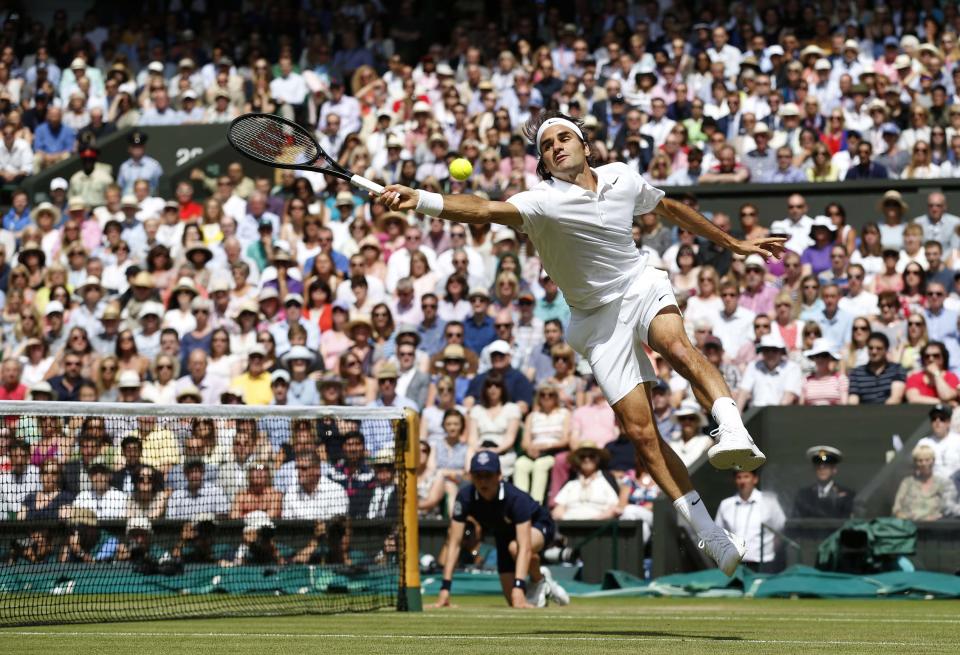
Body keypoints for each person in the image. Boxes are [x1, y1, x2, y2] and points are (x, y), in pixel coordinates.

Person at [434, 451, 569, 609]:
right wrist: (445, 588)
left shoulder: (516, 499)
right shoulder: (464, 497)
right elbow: (454, 543)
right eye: (478, 475)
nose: (483, 481)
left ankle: (538, 581)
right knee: (513, 603)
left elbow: (524, 546)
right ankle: (542, 578)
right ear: (471, 476)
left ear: (499, 475)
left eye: (488, 475)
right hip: (503, 534)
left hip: (539, 525)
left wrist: (519, 587)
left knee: (515, 548)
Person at [714, 469, 786, 573]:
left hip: (763, 564)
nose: (743, 481)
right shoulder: (726, 504)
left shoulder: (769, 501)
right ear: (735, 480)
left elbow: (780, 528)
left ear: (755, 479)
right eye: (739, 477)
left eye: (746, 476)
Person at [892, 444, 958, 521]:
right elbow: (896, 509)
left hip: (936, 527)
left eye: (927, 460)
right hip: (910, 526)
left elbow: (949, 507)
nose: (924, 464)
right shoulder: (907, 482)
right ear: (915, 463)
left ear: (933, 461)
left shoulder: (944, 483)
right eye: (920, 461)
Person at [793, 446, 856, 519]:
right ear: (814, 469)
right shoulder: (803, 495)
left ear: (834, 470)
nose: (822, 470)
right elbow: (795, 522)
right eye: (818, 467)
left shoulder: (847, 495)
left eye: (826, 466)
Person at [848, 332, 907, 405]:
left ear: (886, 350)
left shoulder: (897, 369)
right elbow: (853, 400)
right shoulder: (856, 373)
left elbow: (896, 398)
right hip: (863, 414)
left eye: (879, 348)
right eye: (870, 348)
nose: (874, 351)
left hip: (890, 413)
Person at [917, 404, 960, 482]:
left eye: (942, 418)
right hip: (932, 488)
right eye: (934, 418)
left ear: (949, 422)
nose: (937, 421)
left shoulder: (958, 441)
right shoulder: (923, 443)